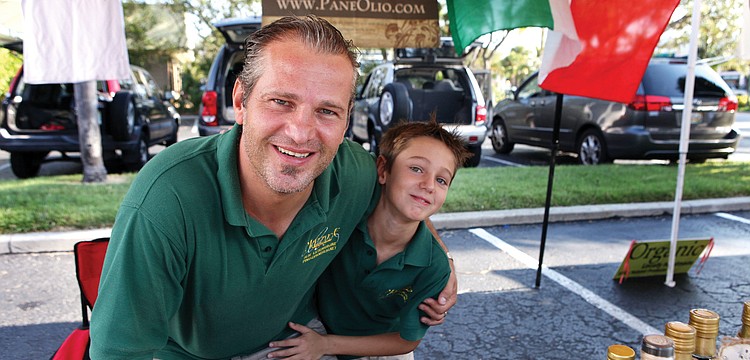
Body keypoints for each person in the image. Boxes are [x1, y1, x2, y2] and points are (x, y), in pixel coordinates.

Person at [89, 15, 455, 359]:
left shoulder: (352, 171)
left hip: (296, 342)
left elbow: (405, 199)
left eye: (327, 111)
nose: (300, 133)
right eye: (281, 101)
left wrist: (445, 262)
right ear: (240, 101)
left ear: (346, 122)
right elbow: (120, 351)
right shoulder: (168, 196)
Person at [266, 120, 471, 360]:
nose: (428, 185)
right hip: (318, 327)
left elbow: (407, 340)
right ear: (383, 170)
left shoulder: (434, 266)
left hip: (382, 345)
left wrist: (326, 345)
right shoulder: (347, 213)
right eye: (416, 168)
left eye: (441, 180)